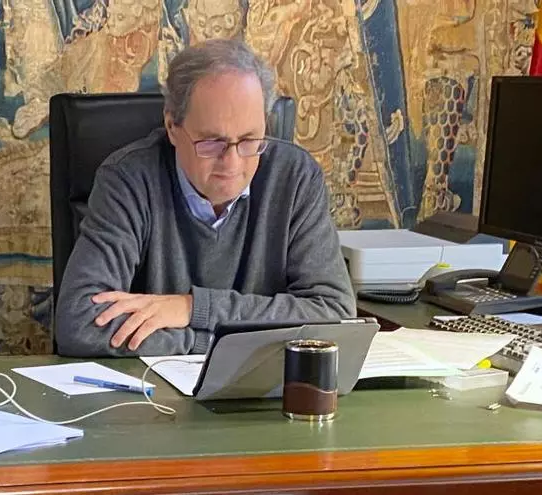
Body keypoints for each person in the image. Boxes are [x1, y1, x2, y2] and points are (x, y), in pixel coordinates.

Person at [54, 38, 356, 357]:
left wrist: (193, 308)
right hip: (150, 385)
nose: (233, 163)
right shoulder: (128, 180)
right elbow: (79, 323)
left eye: (249, 140)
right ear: (172, 126)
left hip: (263, 385)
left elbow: (334, 314)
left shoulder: (295, 178)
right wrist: (212, 346)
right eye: (212, 142)